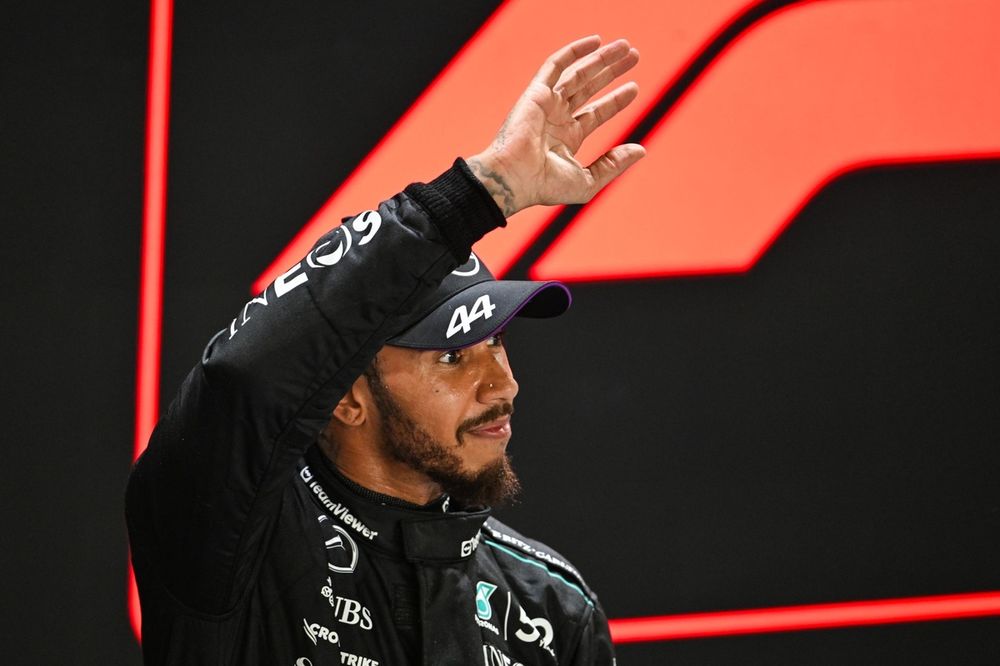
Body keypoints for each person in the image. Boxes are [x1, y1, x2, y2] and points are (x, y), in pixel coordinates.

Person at [126, 35, 645, 665]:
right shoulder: (228, 544)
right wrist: (482, 192)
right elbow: (240, 381)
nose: (502, 386)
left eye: (497, 343)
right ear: (346, 398)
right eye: (453, 357)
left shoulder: (554, 609)